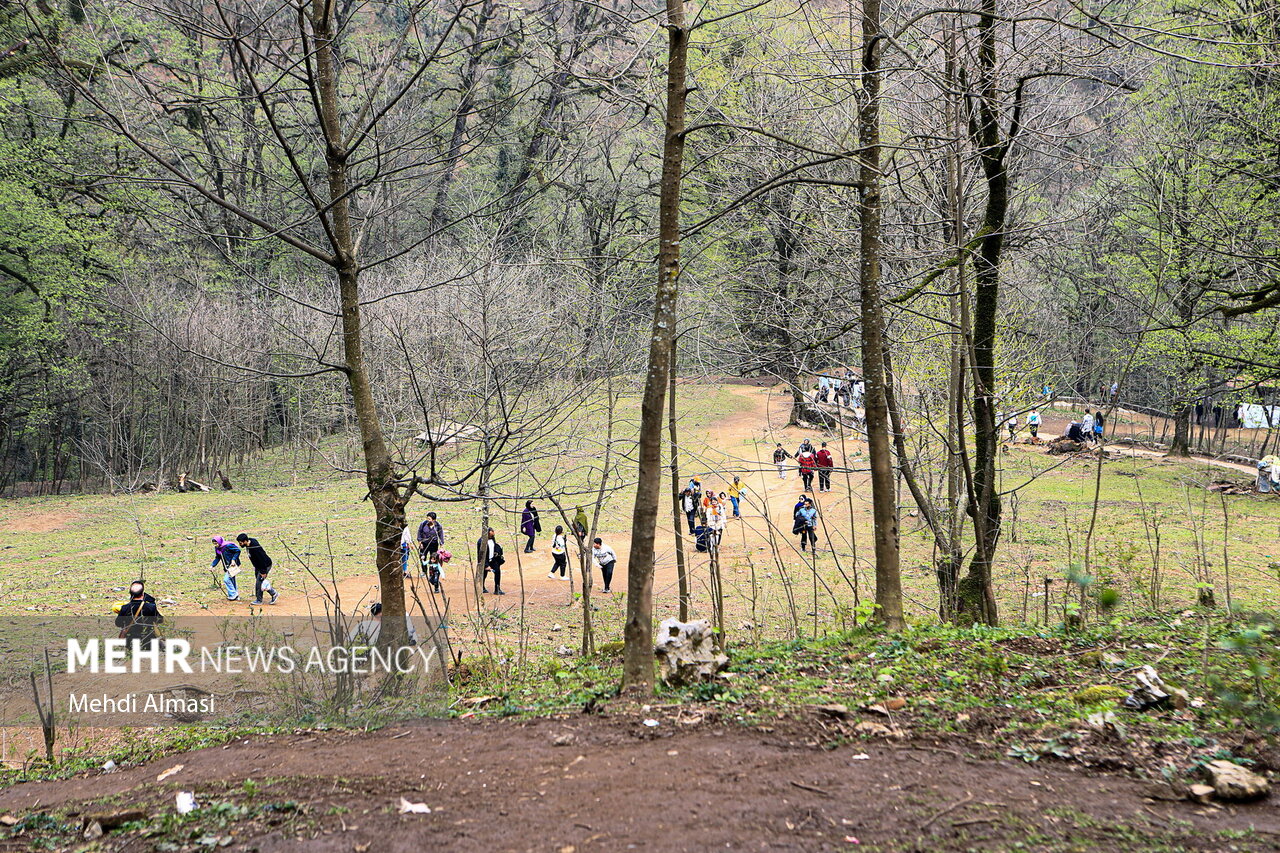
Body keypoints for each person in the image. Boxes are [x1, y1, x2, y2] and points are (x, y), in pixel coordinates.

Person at [115, 581, 164, 647]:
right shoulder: (150, 607)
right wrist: (152, 602)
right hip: (148, 641)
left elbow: (118, 623)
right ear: (142, 594)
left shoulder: (125, 608)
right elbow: (160, 620)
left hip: (130, 642)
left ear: (130, 593)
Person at [236, 533, 279, 605]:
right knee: (260, 581)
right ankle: (273, 593)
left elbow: (261, 560)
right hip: (258, 566)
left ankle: (260, 600)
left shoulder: (255, 549)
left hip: (265, 565)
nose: (240, 544)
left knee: (259, 582)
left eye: (241, 543)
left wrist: (263, 572)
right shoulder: (250, 542)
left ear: (245, 541)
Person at [348, 602, 419, 645]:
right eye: (378, 617)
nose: (380, 619)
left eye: (381, 617)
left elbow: (408, 633)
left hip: (408, 639)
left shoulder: (398, 615)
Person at [211, 536, 242, 601]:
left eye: (216, 543)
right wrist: (212, 565)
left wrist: (233, 560)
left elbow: (238, 550)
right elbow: (217, 557)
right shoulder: (218, 548)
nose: (216, 545)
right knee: (232, 580)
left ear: (219, 542)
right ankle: (236, 595)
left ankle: (233, 595)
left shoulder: (228, 546)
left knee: (226, 579)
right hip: (227, 566)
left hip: (233, 565)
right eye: (214, 544)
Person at [476, 528, 505, 595]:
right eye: (492, 533)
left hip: (493, 560)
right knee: (484, 575)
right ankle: (481, 587)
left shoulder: (492, 539)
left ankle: (497, 589)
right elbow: (481, 555)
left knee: (497, 572)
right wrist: (486, 565)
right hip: (484, 561)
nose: (493, 534)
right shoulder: (481, 542)